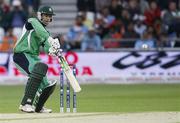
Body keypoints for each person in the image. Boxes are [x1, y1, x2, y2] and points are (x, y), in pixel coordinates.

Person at [13, 6, 62, 113]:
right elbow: (42, 33)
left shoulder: (45, 33)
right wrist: (50, 39)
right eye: (46, 16)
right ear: (40, 15)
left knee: (46, 84)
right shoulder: (32, 22)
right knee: (38, 68)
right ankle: (26, 104)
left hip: (33, 57)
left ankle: (38, 106)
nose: (48, 18)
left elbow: (47, 47)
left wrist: (53, 50)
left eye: (50, 16)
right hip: (21, 54)